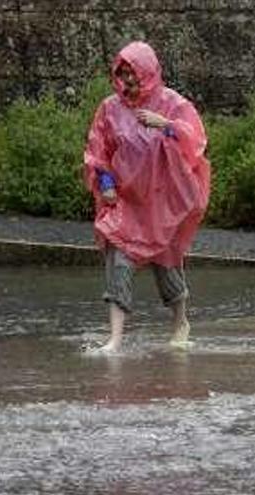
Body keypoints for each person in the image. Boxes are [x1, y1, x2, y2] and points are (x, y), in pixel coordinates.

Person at [83, 41, 211, 353]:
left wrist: (165, 125)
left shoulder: (173, 104)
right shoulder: (109, 108)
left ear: (149, 72)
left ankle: (181, 321)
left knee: (166, 267)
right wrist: (106, 180)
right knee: (119, 262)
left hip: (163, 203)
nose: (127, 80)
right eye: (122, 73)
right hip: (125, 202)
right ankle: (114, 338)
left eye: (133, 73)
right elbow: (98, 150)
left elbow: (195, 141)